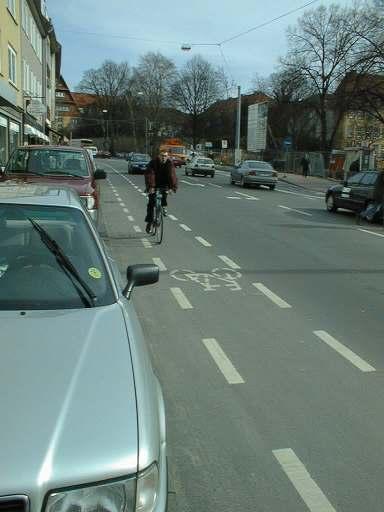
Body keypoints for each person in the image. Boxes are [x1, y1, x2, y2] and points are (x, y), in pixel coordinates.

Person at [144, 151, 178, 233]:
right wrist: (151, 187)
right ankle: (149, 221)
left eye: (165, 156)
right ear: (158, 156)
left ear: (168, 156)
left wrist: (172, 187)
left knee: (164, 194)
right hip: (154, 184)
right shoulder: (153, 162)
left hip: (164, 184)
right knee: (151, 203)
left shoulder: (169, 163)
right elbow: (150, 174)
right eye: (162, 156)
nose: (164, 157)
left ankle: (163, 206)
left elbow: (172, 175)